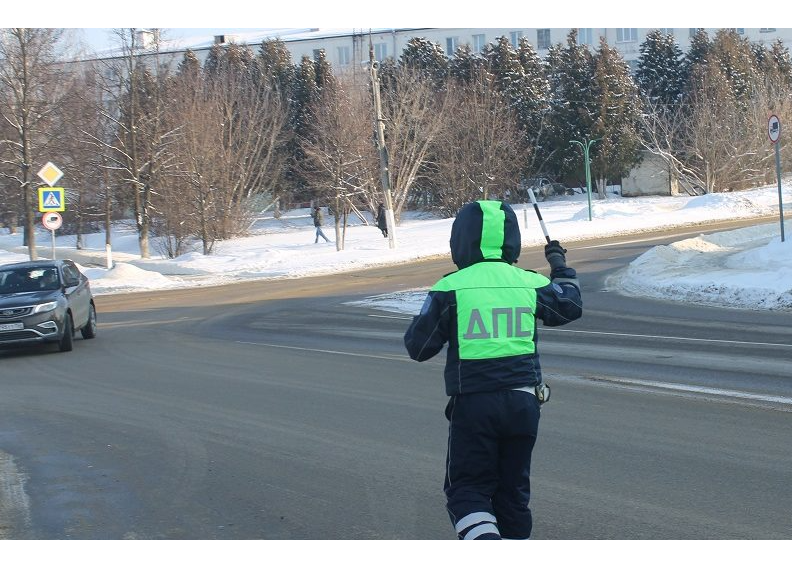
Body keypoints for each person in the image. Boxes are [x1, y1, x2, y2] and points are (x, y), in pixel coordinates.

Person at [404, 200, 582, 540]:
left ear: (460, 241)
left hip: (474, 405)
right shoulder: (528, 282)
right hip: (524, 403)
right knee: (512, 494)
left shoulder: (450, 287)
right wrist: (559, 265)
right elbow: (570, 305)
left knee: (467, 492)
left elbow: (419, 347)